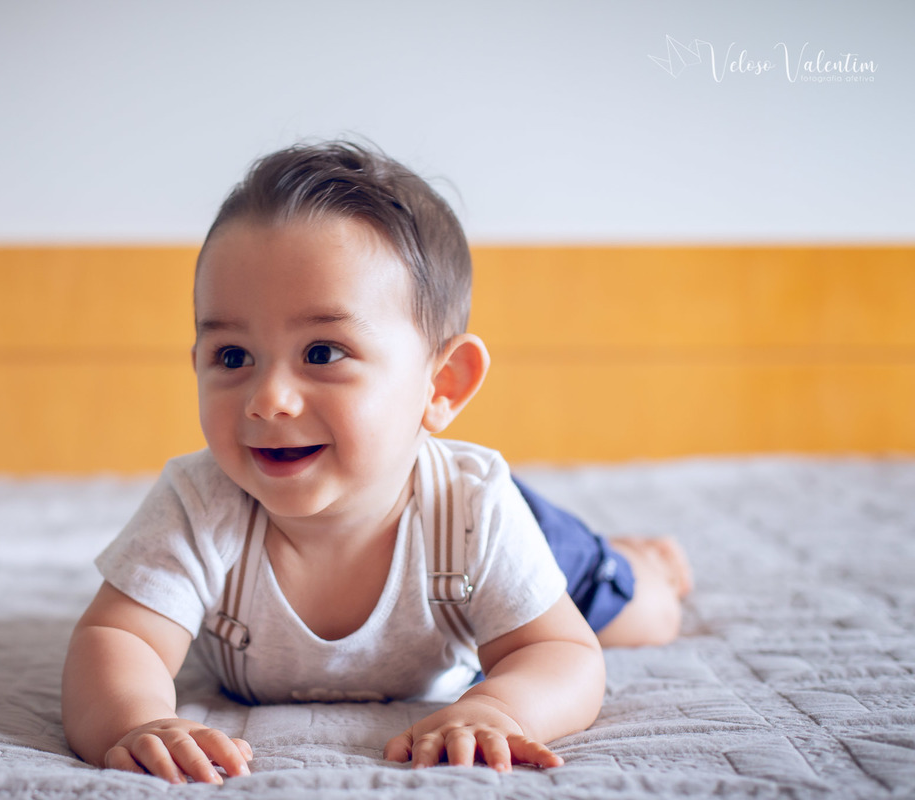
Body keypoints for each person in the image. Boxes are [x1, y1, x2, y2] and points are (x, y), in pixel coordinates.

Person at [60, 141, 693, 784]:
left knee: (644, 614)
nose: (268, 399)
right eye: (232, 357)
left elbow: (561, 653)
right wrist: (137, 720)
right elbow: (120, 640)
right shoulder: (198, 503)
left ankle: (638, 558)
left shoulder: (474, 510)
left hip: (466, 531)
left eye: (324, 352)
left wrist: (497, 705)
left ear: (440, 385)